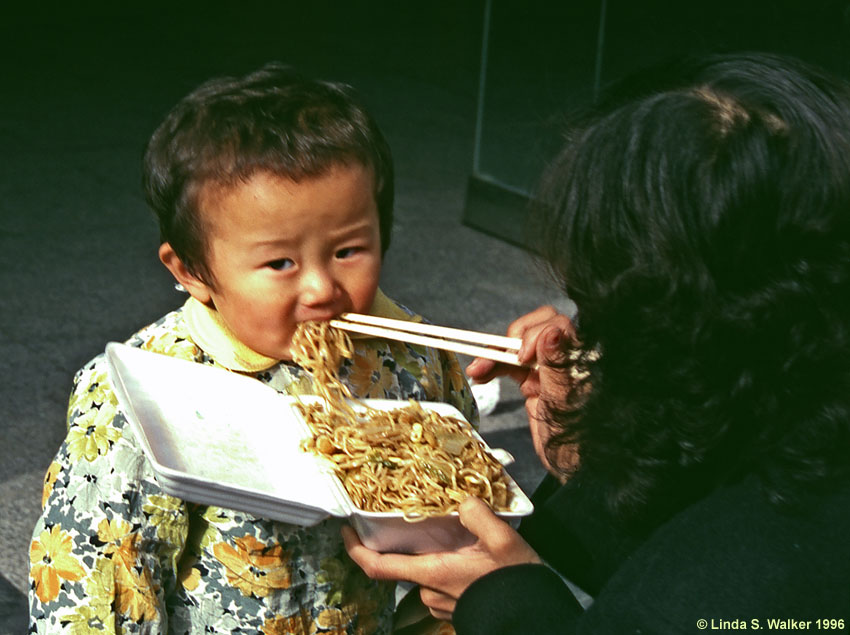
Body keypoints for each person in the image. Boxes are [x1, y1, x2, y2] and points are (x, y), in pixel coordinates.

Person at [344, 52, 850, 633]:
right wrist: (598, 444)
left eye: (605, 304)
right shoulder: (787, 370)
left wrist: (504, 599)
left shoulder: (762, 562)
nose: (586, 328)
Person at [28, 63, 478, 633]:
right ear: (190, 269)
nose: (320, 288)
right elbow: (99, 572)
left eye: (348, 250)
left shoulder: (411, 356)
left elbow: (461, 519)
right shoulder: (146, 390)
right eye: (279, 263)